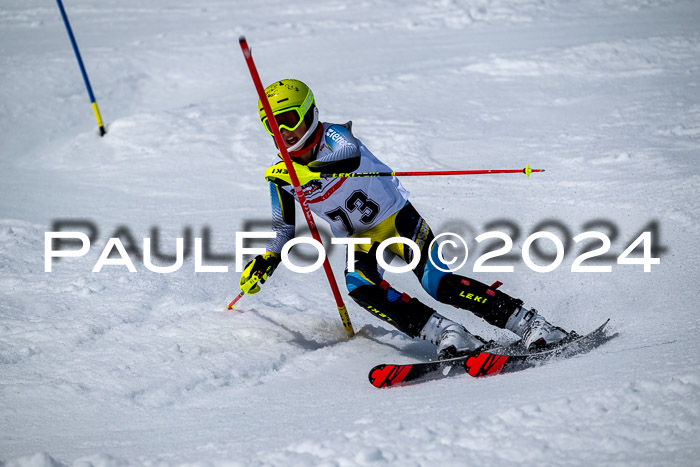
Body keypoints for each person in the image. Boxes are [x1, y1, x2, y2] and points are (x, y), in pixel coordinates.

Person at [239, 79, 573, 359]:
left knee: (438, 283)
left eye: (289, 119)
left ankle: (531, 323)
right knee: (359, 287)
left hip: (398, 219)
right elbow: (283, 227)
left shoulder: (335, 136)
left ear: (310, 115)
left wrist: (306, 170)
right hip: (360, 239)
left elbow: (349, 156)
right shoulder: (281, 176)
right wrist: (266, 259)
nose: (283, 132)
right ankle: (449, 333)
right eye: (272, 124)